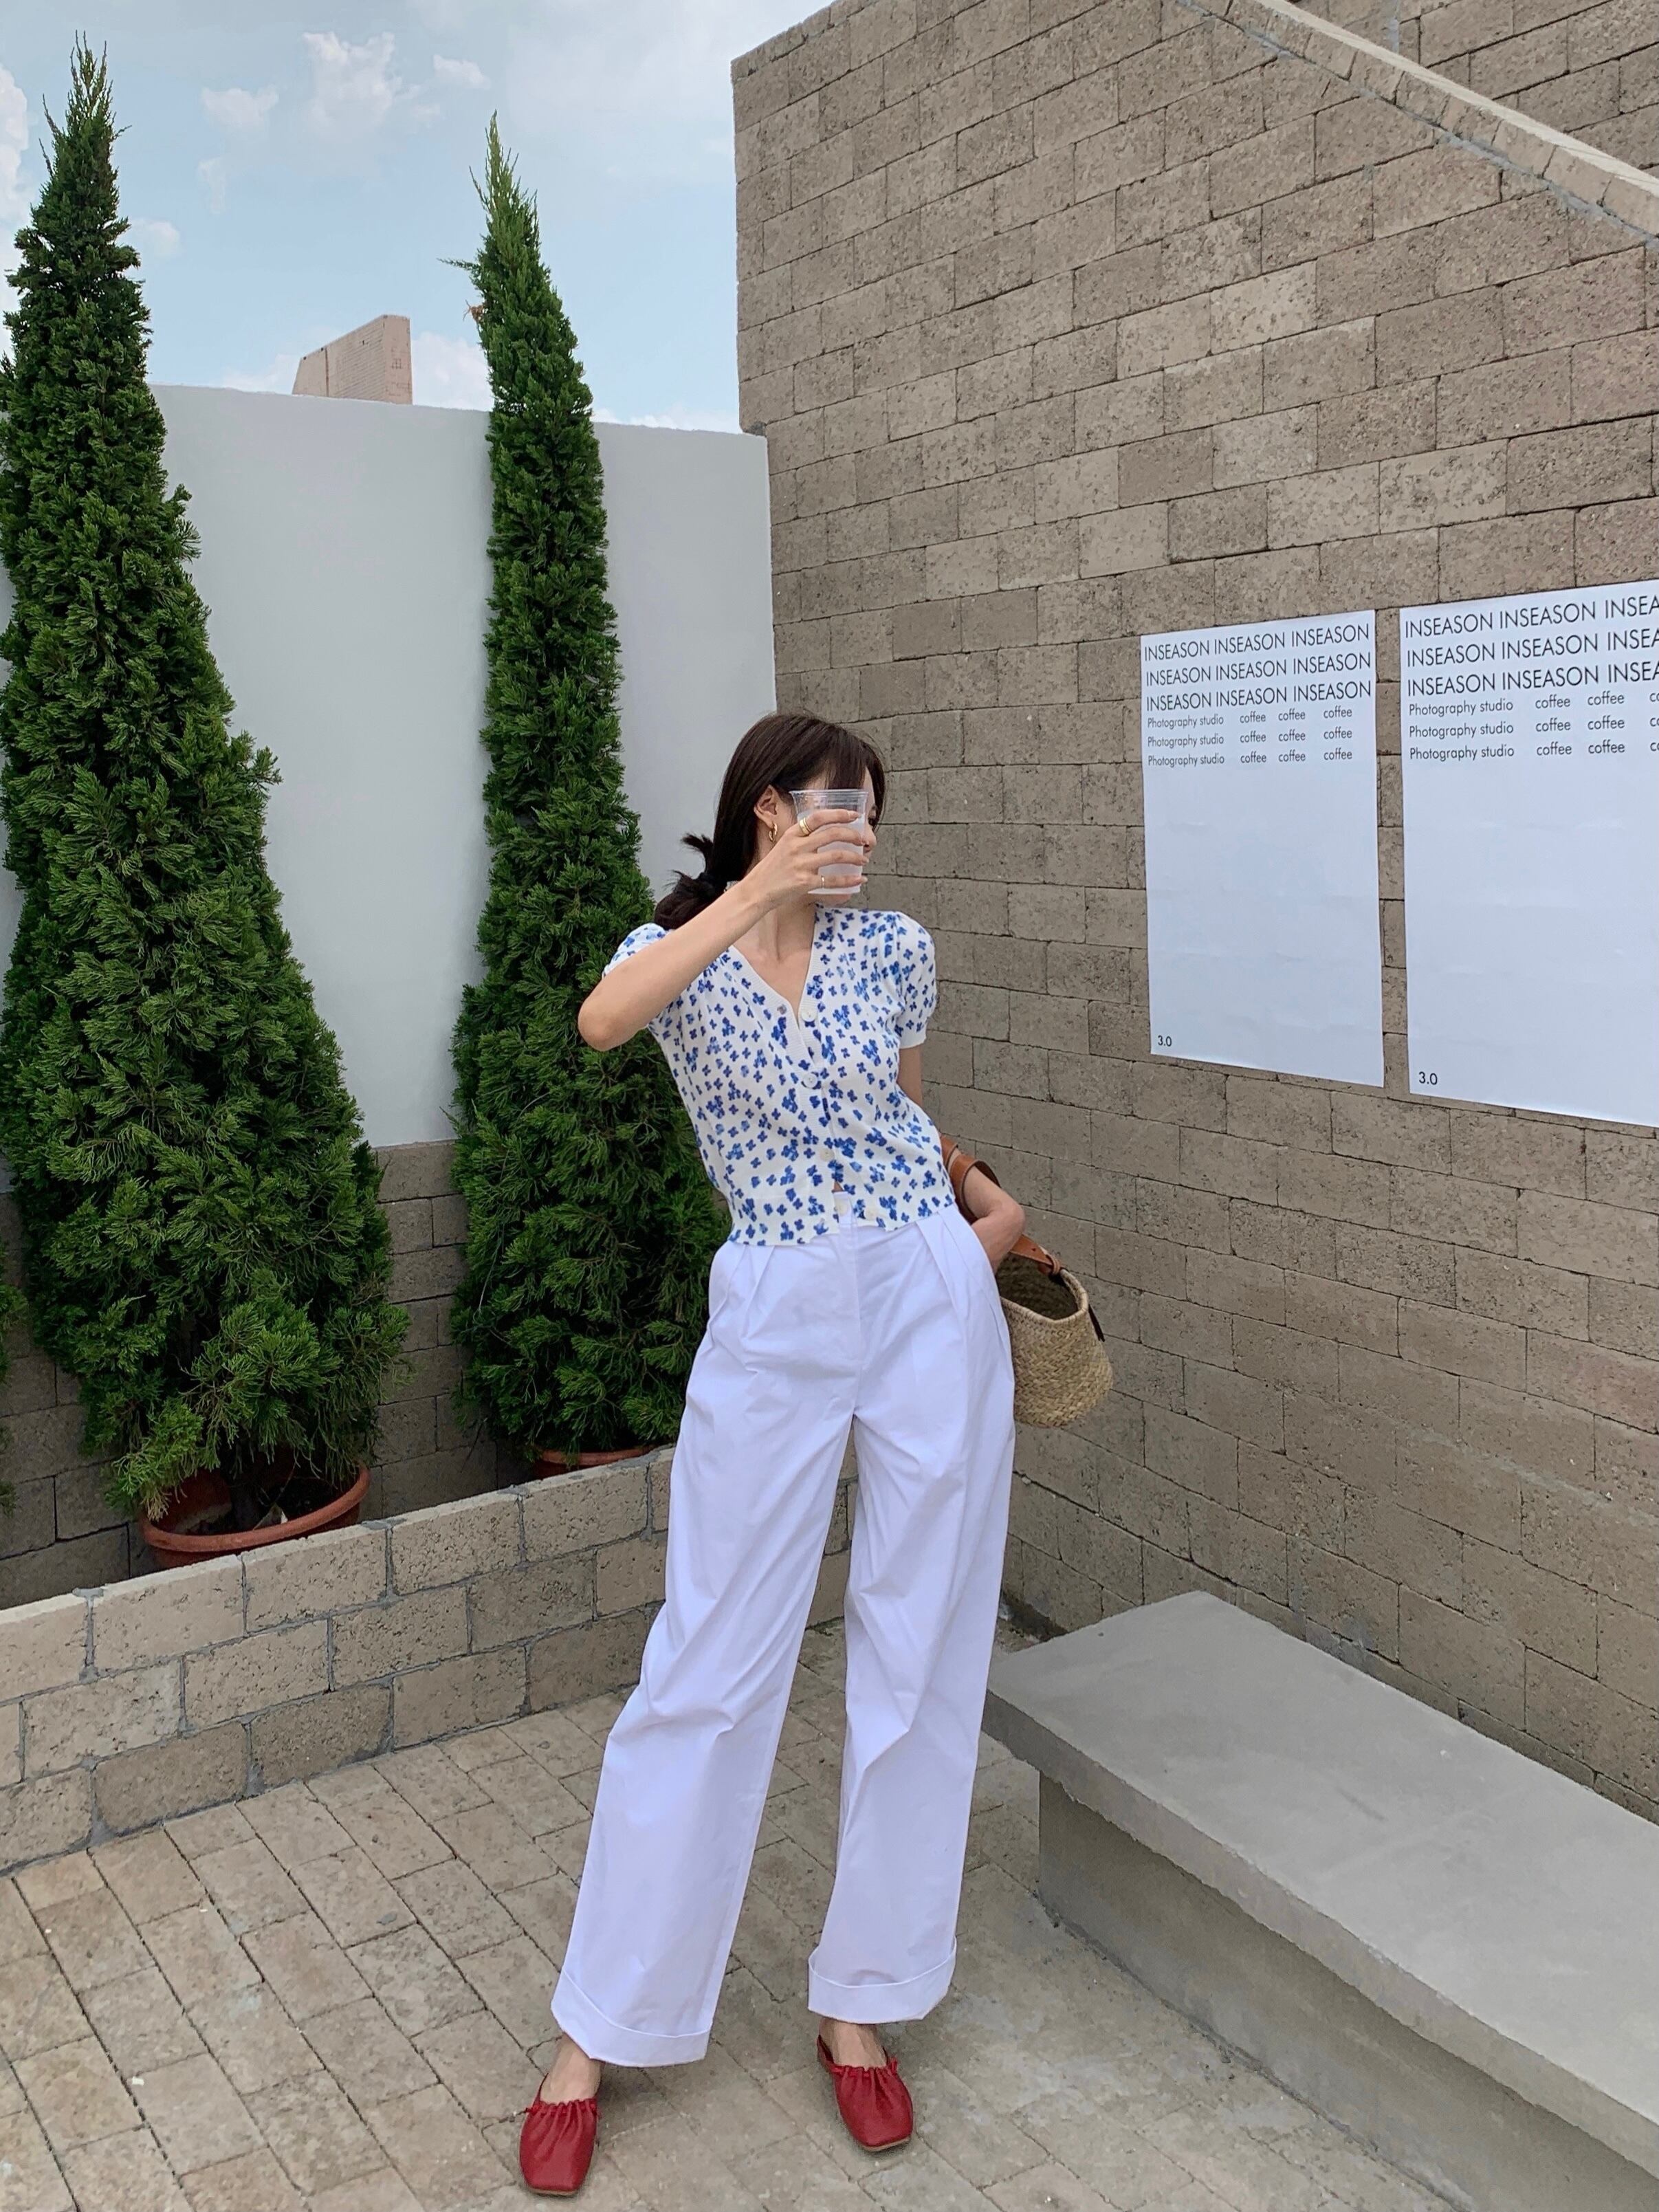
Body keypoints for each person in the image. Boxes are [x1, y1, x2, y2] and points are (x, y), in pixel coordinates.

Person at [518, 712, 1022, 2198]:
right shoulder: (678, 947)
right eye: (826, 805)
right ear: (763, 809)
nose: (851, 829)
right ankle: (595, 2031)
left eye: (865, 810)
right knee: (709, 1659)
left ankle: (861, 2003)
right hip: (777, 1303)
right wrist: (758, 896)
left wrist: (976, 1226)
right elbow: (602, 1022)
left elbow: (902, 1117)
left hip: (923, 1288)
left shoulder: (897, 948)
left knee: (920, 1647)